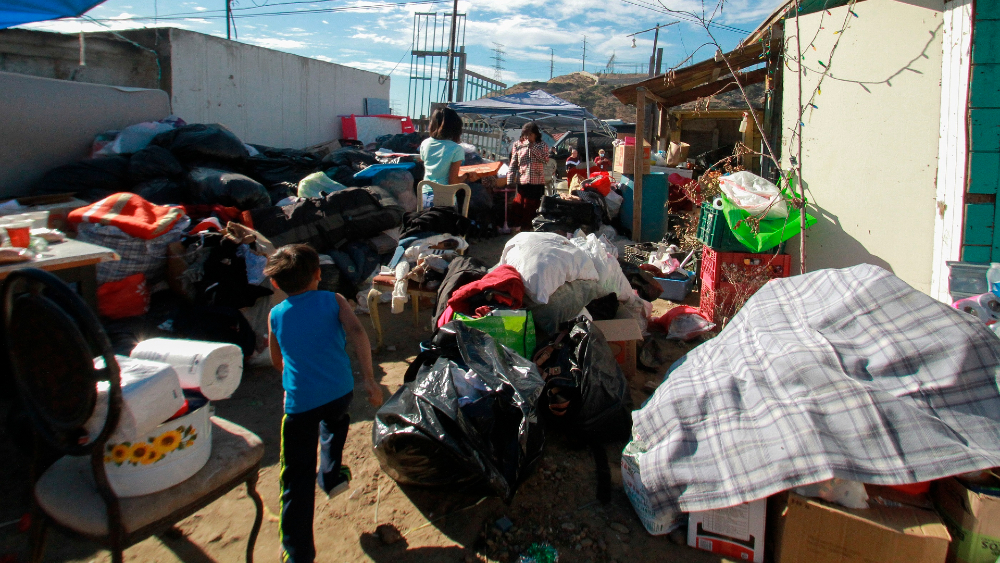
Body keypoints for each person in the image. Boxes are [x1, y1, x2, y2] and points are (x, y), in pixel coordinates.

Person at [266, 244, 383, 563]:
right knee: (334, 422)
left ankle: (296, 550)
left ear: (275, 284)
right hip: (339, 390)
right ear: (319, 274)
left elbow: (277, 362)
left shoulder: (275, 314)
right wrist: (370, 380)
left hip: (301, 402)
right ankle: (331, 476)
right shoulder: (334, 300)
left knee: (294, 476)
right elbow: (358, 332)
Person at [418, 107, 479, 209]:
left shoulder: (425, 143)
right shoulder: (456, 149)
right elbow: (453, 181)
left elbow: (427, 162)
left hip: (424, 196)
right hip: (445, 199)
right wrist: (467, 176)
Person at [506, 122, 550, 230]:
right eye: (526, 134)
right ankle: (520, 228)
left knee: (533, 206)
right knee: (520, 205)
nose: (528, 137)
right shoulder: (518, 144)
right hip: (523, 180)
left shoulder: (542, 145)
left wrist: (533, 147)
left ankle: (532, 227)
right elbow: (513, 163)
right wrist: (510, 180)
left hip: (537, 181)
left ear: (535, 134)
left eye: (530, 134)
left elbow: (545, 160)